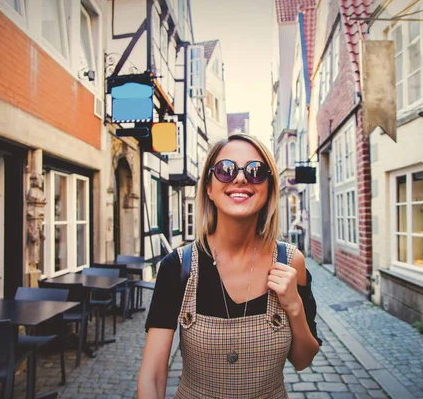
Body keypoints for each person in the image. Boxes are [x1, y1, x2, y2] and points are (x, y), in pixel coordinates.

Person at [138, 134, 321, 398]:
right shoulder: (177, 267)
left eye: (256, 171)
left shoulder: (291, 261)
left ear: (269, 187)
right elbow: (152, 376)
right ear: (209, 188)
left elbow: (303, 360)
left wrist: (294, 306)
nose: (240, 178)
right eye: (225, 170)